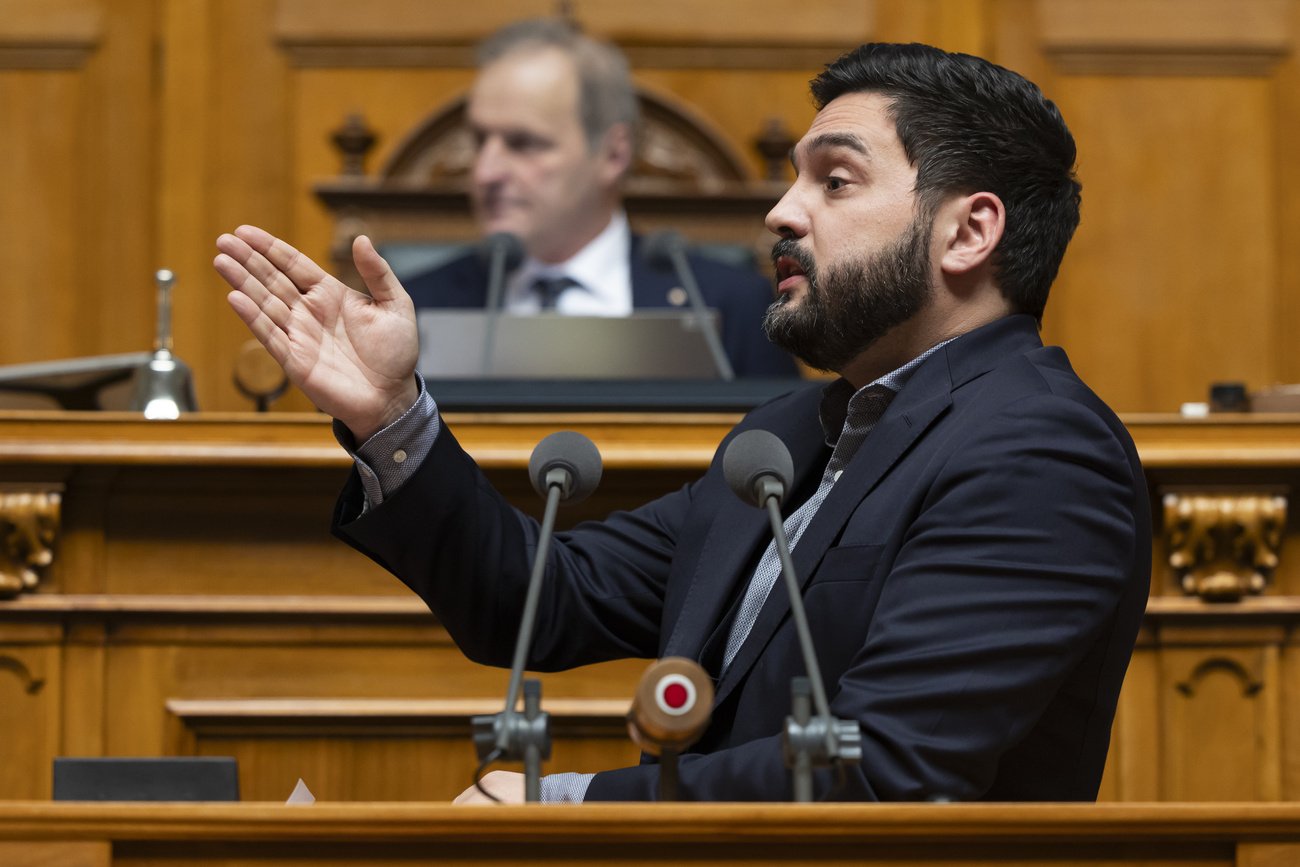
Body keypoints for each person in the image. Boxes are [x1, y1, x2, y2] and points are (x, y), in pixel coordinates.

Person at [214, 41, 1151, 803]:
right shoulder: (788, 435)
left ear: (969, 232)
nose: (781, 212)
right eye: (794, 180)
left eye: (835, 182)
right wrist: (389, 414)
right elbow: (538, 599)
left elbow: (886, 769)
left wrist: (571, 804)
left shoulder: (1040, 449)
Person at [402, 18, 797, 378]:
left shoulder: (725, 304)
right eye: (479, 141)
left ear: (613, 154)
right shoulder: (416, 307)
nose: (485, 172)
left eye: (523, 143)